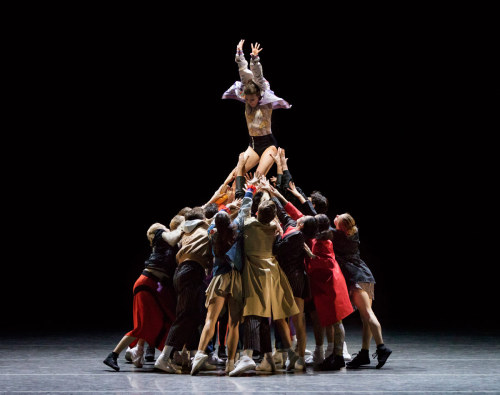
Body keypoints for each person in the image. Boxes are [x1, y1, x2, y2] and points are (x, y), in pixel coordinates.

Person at [191, 154, 258, 375]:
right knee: (234, 323)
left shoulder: (212, 233)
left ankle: (198, 356)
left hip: (219, 279)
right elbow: (246, 207)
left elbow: (212, 219)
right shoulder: (236, 228)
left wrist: (226, 207)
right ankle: (230, 362)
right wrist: (251, 189)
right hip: (236, 280)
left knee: (211, 319)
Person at [229, 178, 300, 377]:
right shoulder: (274, 228)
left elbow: (244, 210)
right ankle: (277, 356)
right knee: (277, 316)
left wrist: (251, 190)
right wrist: (269, 193)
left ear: (258, 212)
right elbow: (274, 215)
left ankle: (246, 357)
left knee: (253, 314)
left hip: (256, 272)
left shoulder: (250, 225)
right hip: (273, 273)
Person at [103, 217, 184, 372]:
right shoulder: (160, 233)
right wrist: (182, 227)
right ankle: (113, 355)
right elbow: (173, 238)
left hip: (153, 285)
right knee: (142, 325)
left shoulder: (165, 243)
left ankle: (139, 352)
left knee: (157, 321)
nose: (166, 226)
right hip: (146, 284)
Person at [261, 181, 317, 371]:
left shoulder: (295, 237)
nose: (297, 218)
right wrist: (269, 191)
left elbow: (277, 250)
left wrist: (277, 233)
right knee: (284, 318)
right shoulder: (294, 227)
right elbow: (283, 213)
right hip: (289, 277)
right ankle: (291, 353)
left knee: (296, 318)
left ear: (302, 225)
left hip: (292, 279)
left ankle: (299, 356)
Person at [154, 206, 214, 374]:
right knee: (184, 316)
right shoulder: (201, 226)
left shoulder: (188, 229)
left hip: (186, 271)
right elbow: (219, 217)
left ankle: (195, 357)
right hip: (191, 270)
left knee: (193, 316)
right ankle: (164, 358)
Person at [222, 40, 291, 182]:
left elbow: (258, 77)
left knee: (256, 180)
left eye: (252, 100)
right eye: (246, 99)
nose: (249, 102)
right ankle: (212, 202)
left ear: (259, 96)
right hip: (253, 144)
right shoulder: (248, 97)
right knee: (235, 177)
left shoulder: (264, 100)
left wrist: (254, 59)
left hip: (268, 145)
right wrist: (240, 55)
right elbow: (243, 73)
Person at [331, 213, 392, 369]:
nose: (336, 215)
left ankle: (381, 348)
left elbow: (319, 221)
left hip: (357, 279)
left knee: (367, 314)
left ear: (342, 226)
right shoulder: (353, 233)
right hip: (367, 276)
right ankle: (364, 353)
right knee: (366, 318)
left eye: (339, 217)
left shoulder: (339, 236)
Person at [304, 214, 354, 371]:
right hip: (329, 283)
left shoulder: (323, 242)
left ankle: (338, 356)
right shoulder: (322, 239)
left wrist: (310, 256)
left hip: (331, 284)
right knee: (335, 320)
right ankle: (336, 355)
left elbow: (326, 263)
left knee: (337, 321)